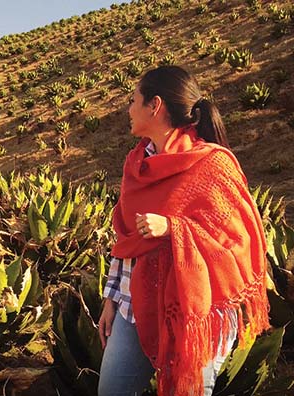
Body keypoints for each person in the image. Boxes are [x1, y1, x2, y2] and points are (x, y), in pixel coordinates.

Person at [97, 66, 270, 396]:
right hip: (133, 306)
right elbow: (127, 240)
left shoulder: (212, 164)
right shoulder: (136, 165)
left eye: (134, 101)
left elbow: (240, 240)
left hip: (196, 312)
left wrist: (174, 229)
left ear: (155, 106)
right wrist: (110, 298)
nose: (128, 109)